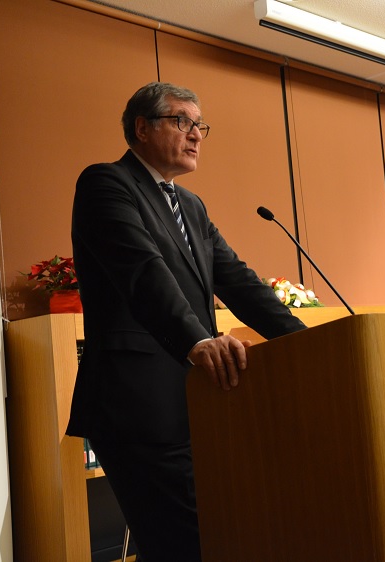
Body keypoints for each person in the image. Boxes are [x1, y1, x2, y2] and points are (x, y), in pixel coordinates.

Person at [66, 82, 307, 561]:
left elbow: (238, 281)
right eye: (182, 122)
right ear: (142, 128)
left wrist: (310, 342)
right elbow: (143, 272)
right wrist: (198, 340)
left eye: (200, 125)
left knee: (197, 539)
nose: (196, 134)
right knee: (185, 542)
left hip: (197, 402)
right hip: (138, 402)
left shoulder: (191, 206)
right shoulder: (106, 183)